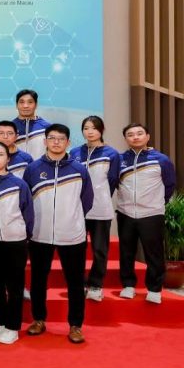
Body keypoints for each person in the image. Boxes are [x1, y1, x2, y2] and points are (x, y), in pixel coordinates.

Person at [23, 124, 93, 344]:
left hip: (72, 234)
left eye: (61, 138)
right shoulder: (32, 169)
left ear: (68, 142)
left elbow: (87, 200)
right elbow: (25, 201)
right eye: (51, 138)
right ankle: (38, 319)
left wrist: (72, 219)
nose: (56, 142)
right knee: (38, 280)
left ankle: (75, 325)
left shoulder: (79, 169)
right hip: (40, 233)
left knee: (75, 282)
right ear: (45, 141)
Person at [0, 141, 34, 345]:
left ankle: (12, 327)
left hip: (15, 241)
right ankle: (0, 323)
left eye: (1, 154)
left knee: (15, 286)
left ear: (8, 159)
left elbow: (28, 213)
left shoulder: (19, 184)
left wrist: (23, 235)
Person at [116, 122, 177, 304]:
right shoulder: (119, 160)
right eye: (130, 134)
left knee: (154, 253)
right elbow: (115, 182)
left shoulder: (161, 159)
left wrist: (156, 203)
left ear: (147, 137)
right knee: (126, 252)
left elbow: (169, 185)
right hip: (125, 212)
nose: (135, 137)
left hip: (152, 213)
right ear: (125, 139)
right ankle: (128, 285)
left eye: (139, 133)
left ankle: (155, 289)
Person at [70, 116, 121, 302]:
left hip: (101, 209)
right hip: (77, 209)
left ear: (102, 130)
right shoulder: (75, 152)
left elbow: (113, 180)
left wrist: (100, 195)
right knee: (76, 249)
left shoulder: (112, 154)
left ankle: (95, 285)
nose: (89, 131)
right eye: (86, 128)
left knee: (100, 250)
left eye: (94, 128)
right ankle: (78, 283)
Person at [13, 89, 51, 160]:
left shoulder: (47, 127)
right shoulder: (10, 128)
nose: (25, 106)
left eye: (30, 102)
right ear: (16, 105)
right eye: (22, 102)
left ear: (36, 105)